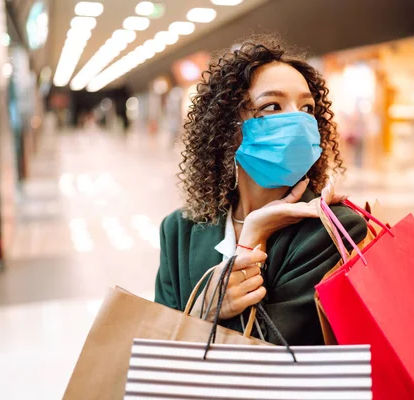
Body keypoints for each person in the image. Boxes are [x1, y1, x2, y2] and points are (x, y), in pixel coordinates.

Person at [154, 36, 367, 346]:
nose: (297, 119)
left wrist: (251, 239)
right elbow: (159, 344)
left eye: (307, 107)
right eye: (272, 106)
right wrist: (202, 310)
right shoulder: (179, 231)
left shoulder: (333, 231)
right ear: (229, 127)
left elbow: (272, 357)